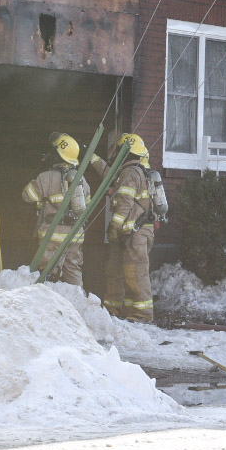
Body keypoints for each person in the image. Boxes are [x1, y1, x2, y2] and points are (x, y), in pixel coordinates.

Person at [89, 132, 157, 323]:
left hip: (134, 232)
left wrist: (113, 228)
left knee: (135, 272)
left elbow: (124, 203)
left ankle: (142, 314)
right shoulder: (131, 172)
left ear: (126, 152)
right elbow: (109, 175)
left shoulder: (131, 172)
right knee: (117, 270)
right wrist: (92, 157)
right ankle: (117, 308)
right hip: (129, 233)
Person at [21, 132, 89, 286]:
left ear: (57, 155)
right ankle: (78, 299)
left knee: (48, 271)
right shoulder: (81, 180)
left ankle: (49, 301)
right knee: (73, 269)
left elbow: (27, 196)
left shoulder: (46, 177)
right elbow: (87, 206)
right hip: (75, 235)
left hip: (52, 234)